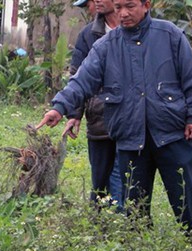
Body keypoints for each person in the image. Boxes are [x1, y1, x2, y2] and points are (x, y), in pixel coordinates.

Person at [37, 0, 192, 230]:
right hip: (130, 137)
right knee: (134, 210)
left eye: (130, 6)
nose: (123, 13)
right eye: (118, 8)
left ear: (146, 5)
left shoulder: (169, 35)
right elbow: (82, 80)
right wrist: (60, 107)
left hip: (171, 134)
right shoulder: (106, 45)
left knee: (187, 203)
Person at [69, 0, 123, 206]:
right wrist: (75, 114)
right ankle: (99, 222)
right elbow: (77, 75)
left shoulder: (141, 31)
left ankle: (125, 223)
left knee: (125, 175)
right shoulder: (88, 34)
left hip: (131, 119)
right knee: (100, 180)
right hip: (99, 118)